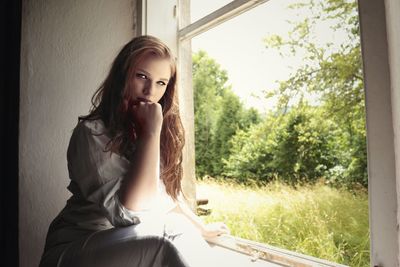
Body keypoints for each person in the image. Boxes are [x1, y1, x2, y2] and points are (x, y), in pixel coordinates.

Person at [39, 35, 229, 267]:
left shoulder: (144, 129)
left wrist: (202, 229)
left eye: (161, 83)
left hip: (127, 246)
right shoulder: (91, 133)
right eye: (142, 77)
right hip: (75, 249)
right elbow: (130, 211)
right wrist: (151, 132)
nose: (150, 91)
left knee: (177, 234)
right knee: (169, 234)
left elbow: (165, 197)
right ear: (122, 77)